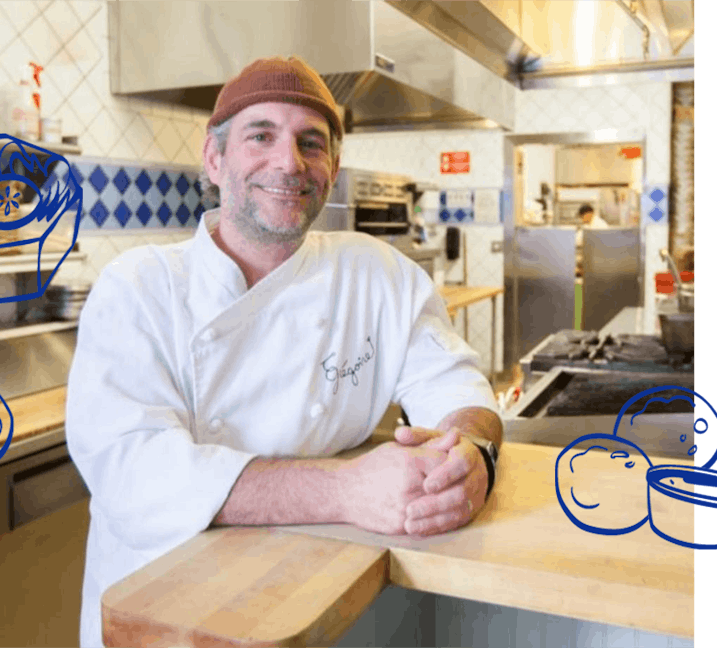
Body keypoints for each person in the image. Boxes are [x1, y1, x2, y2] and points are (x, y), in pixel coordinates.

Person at [65, 56, 503, 648]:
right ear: (214, 159)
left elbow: (454, 386)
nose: (289, 163)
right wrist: (344, 490)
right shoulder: (137, 289)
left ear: (333, 166)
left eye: (311, 143)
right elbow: (135, 473)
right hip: (164, 614)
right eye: (261, 136)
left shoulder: (375, 274)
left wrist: (471, 454)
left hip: (318, 598)